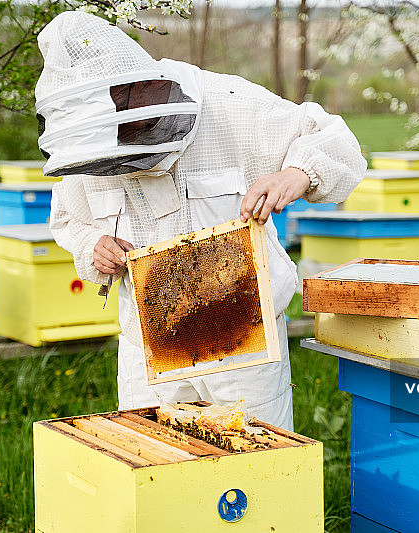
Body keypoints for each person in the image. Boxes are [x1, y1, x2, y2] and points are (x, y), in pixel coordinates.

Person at [37, 11, 366, 431]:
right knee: (156, 473)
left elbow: (336, 141)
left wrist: (296, 174)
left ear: (135, 89)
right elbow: (70, 221)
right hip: (147, 342)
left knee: (255, 474)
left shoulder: (227, 103)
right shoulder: (85, 143)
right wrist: (94, 247)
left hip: (242, 340)